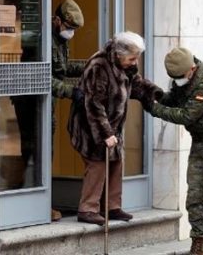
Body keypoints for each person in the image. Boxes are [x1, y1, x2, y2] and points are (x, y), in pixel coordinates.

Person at [147, 47, 203, 255]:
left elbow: (187, 116)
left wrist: (154, 109)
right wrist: (153, 94)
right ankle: (199, 241)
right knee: (195, 195)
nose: (177, 81)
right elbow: (173, 98)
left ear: (192, 69)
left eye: (179, 77)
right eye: (174, 78)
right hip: (200, 140)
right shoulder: (184, 78)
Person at [67, 31, 162, 225]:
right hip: (90, 126)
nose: (135, 62)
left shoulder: (125, 65)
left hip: (112, 126)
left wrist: (157, 94)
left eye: (137, 58)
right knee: (98, 164)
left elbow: (136, 84)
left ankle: (112, 207)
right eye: (132, 58)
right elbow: (93, 104)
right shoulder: (99, 66)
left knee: (117, 162)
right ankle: (87, 209)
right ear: (119, 53)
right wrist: (106, 133)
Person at [51, 0, 86, 221]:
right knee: (35, 153)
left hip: (48, 105)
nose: (70, 32)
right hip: (32, 105)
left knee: (46, 152)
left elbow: (62, 68)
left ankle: (43, 203)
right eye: (68, 27)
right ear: (57, 20)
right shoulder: (43, 39)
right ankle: (37, 205)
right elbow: (44, 77)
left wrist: (90, 65)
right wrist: (71, 92)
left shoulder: (60, 40)